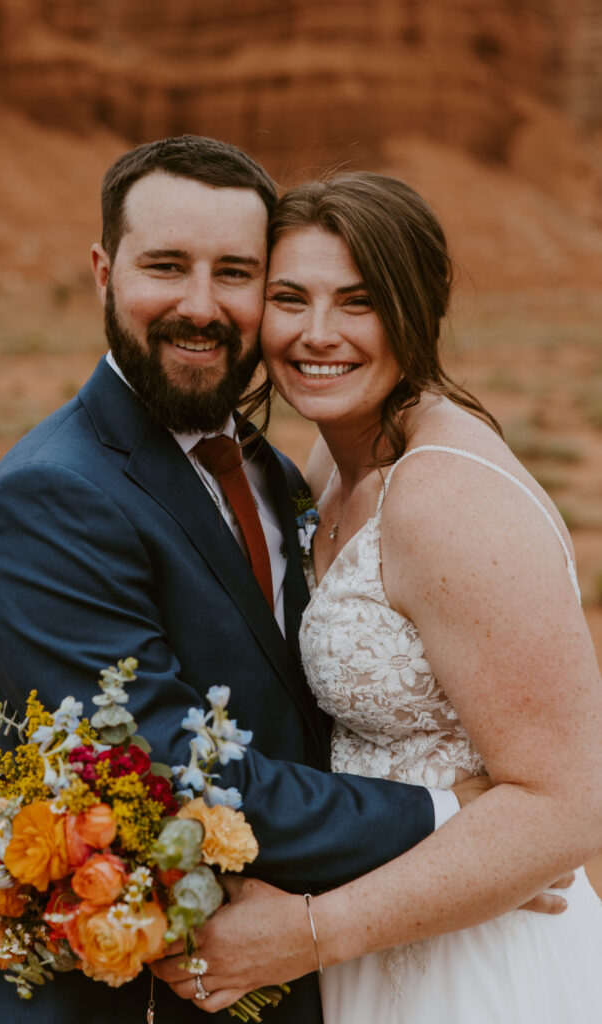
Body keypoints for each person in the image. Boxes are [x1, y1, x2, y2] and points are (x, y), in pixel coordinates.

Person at [0, 137, 496, 1024]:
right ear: (102, 271)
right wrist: (447, 815)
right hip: (126, 997)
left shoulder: (261, 464)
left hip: (292, 972)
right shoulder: (52, 497)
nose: (199, 307)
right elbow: (165, 773)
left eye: (235, 273)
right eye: (166, 266)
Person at [152, 172, 602, 1021]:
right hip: (381, 929)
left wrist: (308, 933)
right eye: (291, 297)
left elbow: (570, 806)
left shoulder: (441, 498)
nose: (317, 335)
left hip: (472, 961)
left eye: (358, 302)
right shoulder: (331, 463)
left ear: (415, 312)